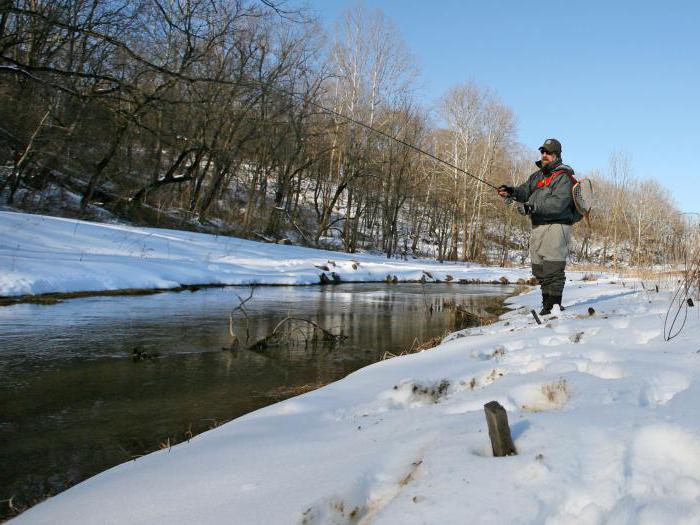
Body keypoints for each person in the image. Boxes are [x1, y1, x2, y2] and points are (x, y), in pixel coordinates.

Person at [497, 138, 577, 315]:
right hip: (538, 226)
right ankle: (547, 304)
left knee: (553, 268)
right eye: (542, 152)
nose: (544, 155)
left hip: (557, 226)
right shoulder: (537, 176)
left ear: (556, 155)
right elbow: (524, 191)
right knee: (539, 268)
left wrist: (532, 207)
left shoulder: (564, 178)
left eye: (548, 152)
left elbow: (559, 204)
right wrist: (511, 191)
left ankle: (552, 307)